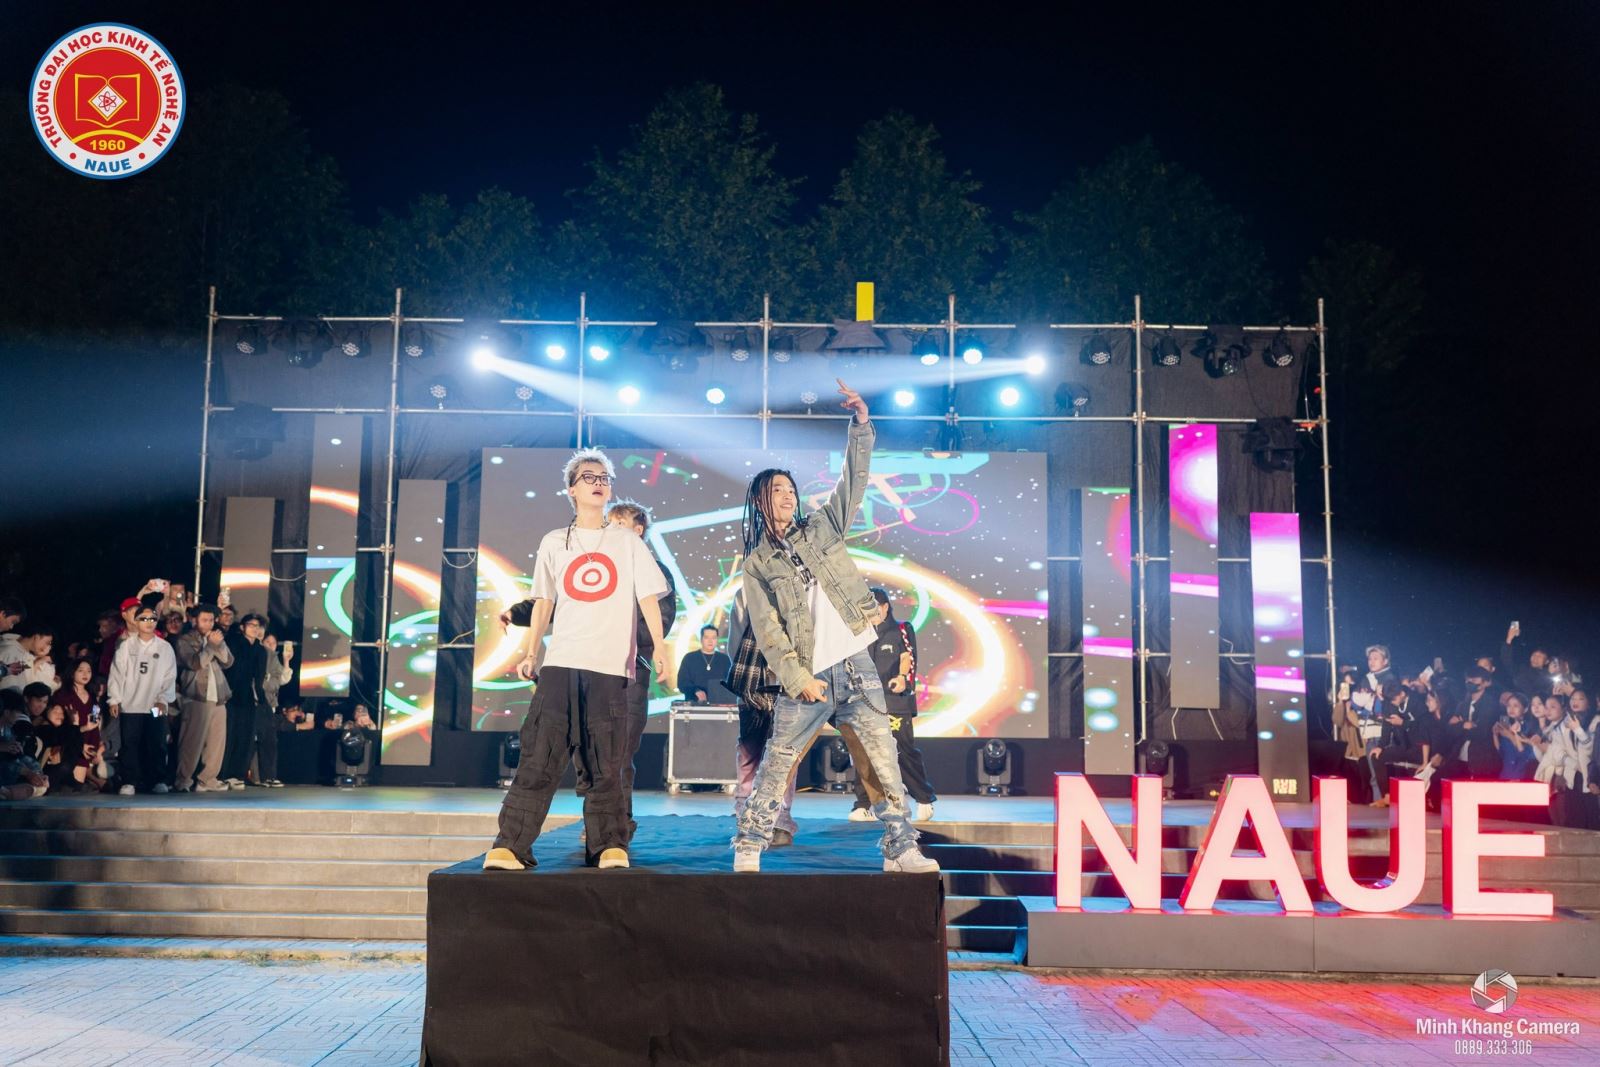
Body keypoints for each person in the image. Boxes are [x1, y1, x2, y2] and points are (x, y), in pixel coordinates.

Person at [730, 379, 937, 874]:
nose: (787, 495)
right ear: (760, 500)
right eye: (777, 490)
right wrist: (796, 677)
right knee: (778, 761)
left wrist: (861, 425)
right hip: (808, 672)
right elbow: (768, 630)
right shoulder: (758, 564)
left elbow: (854, 481)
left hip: (857, 664)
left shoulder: (822, 527)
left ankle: (901, 847)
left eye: (790, 489)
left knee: (884, 760)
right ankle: (750, 842)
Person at [483, 448, 668, 872]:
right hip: (562, 662)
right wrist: (531, 651)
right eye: (589, 477)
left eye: (604, 477)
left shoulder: (627, 541)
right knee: (539, 753)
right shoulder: (554, 541)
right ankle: (510, 845)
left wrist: (659, 647)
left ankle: (608, 846)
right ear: (571, 489)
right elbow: (544, 601)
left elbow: (648, 598)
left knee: (607, 761)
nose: (598, 483)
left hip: (609, 667)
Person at [849, 588, 937, 822]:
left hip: (894, 702)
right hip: (865, 703)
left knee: (903, 751)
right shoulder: (859, 634)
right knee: (863, 754)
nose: (869, 612)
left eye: (873, 607)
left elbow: (908, 657)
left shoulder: (901, 629)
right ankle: (864, 804)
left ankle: (923, 798)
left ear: (885, 606)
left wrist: (902, 678)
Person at [106, 605, 177, 795]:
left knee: (157, 741)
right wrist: (114, 699)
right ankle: (130, 781)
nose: (149, 622)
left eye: (152, 619)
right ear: (136, 622)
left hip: (156, 704)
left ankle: (157, 779)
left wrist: (163, 699)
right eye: (144, 619)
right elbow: (117, 674)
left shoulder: (164, 647)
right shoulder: (126, 646)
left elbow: (170, 676)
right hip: (131, 704)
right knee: (130, 743)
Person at [174, 604, 234, 793]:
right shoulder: (185, 640)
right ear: (195, 620)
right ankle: (183, 780)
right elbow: (194, 663)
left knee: (216, 742)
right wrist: (210, 646)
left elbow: (228, 662)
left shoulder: (215, 637)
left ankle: (208, 779)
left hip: (219, 695)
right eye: (204, 620)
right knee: (192, 741)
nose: (208, 624)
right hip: (197, 695)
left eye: (211, 620)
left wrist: (218, 644)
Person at [221, 614, 268, 789]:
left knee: (245, 736)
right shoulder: (233, 643)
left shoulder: (260, 650)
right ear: (242, 627)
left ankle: (237, 774)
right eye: (251, 625)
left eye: (257, 626)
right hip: (230, 694)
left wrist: (260, 698)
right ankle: (223, 774)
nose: (255, 628)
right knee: (229, 735)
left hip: (248, 696)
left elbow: (259, 677)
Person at [254, 633, 295, 787]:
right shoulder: (259, 655)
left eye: (274, 643)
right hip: (255, 702)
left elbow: (282, 679)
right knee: (253, 742)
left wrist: (286, 660)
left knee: (269, 741)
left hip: (269, 704)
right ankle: (254, 777)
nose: (271, 645)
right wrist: (268, 679)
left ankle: (268, 776)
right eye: (268, 642)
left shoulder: (274, 658)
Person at [678, 625, 734, 703]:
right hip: (694, 704)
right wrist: (695, 691)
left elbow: (731, 684)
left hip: (719, 705)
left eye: (713, 638)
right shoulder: (689, 658)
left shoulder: (725, 659)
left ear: (717, 640)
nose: (710, 641)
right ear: (701, 639)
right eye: (707, 637)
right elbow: (682, 683)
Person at [0, 622, 58, 695]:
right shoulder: (10, 651)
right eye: (47, 643)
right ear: (36, 637)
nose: (46, 647)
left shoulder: (27, 656)